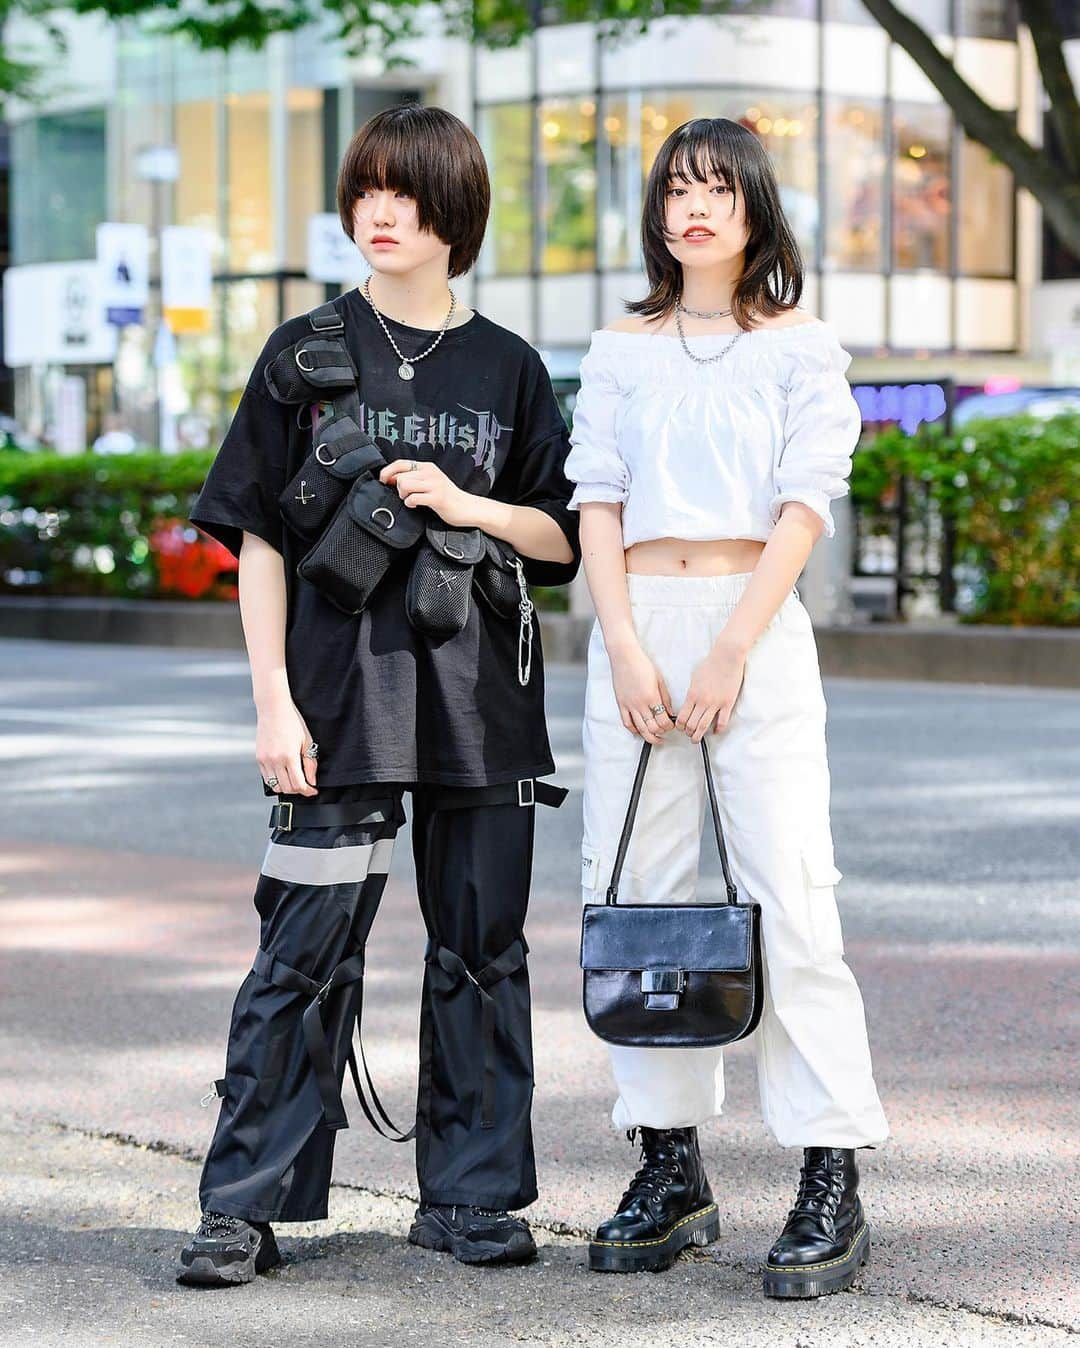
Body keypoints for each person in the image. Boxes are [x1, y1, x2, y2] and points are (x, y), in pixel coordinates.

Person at [176, 102, 580, 1287]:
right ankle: (245, 1202)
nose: (380, 215)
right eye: (365, 194)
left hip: (483, 701)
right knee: (299, 949)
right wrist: (269, 699)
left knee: (481, 952)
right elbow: (253, 536)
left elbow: (560, 536)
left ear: (456, 210)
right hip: (335, 700)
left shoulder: (508, 365)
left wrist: (465, 503)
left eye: (404, 195)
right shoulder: (302, 349)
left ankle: (472, 1197)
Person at [564, 116, 888, 1298]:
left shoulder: (803, 349)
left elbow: (805, 506)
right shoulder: (617, 348)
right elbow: (596, 499)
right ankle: (668, 1164)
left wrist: (731, 648)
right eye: (676, 189)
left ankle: (828, 1168)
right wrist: (627, 644)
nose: (693, 206)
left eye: (715, 188)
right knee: (640, 898)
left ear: (754, 207)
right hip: (636, 634)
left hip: (754, 630)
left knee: (789, 893)